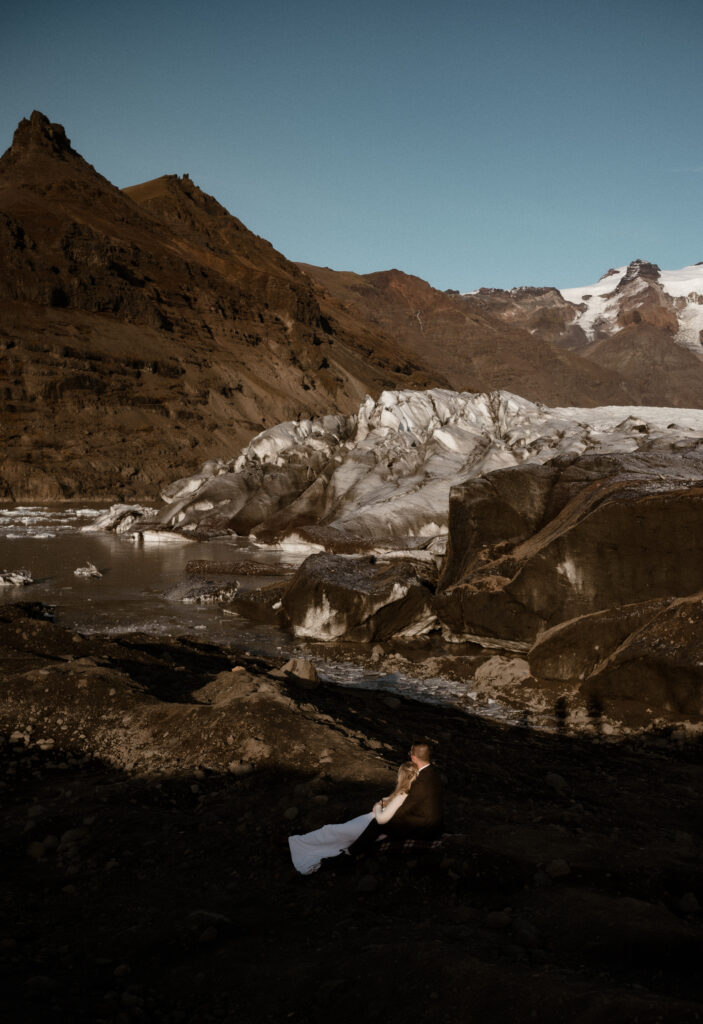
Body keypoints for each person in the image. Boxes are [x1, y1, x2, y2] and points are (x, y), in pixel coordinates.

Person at [288, 761, 419, 875]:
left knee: (330, 831)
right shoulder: (407, 793)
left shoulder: (404, 795)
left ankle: (301, 846)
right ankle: (300, 843)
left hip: (372, 825)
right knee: (334, 833)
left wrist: (378, 807)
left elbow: (382, 819)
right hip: (370, 821)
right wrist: (381, 803)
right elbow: (389, 803)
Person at [346, 740, 443, 857]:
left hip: (424, 828)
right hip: (430, 821)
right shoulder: (432, 772)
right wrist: (387, 803)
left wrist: (383, 811)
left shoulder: (421, 781)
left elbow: (403, 810)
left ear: (413, 757)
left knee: (377, 823)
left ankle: (351, 853)